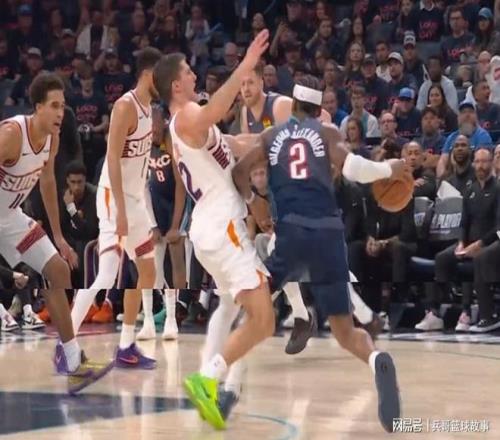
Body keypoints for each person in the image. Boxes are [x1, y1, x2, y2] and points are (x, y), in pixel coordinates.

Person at [232, 82, 405, 433]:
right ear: (316, 110)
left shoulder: (271, 136)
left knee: (250, 309)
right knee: (345, 331)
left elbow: (239, 172)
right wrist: (390, 168)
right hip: (328, 235)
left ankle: (228, 387)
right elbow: (354, 168)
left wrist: (253, 204)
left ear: (294, 105)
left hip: (291, 234)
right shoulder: (326, 132)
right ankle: (376, 361)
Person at [153, 31, 274, 430]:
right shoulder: (186, 116)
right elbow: (215, 111)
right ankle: (207, 379)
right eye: (188, 71)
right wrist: (245, 66)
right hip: (221, 227)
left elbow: (236, 143)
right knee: (264, 319)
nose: (194, 75)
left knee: (237, 308)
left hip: (213, 229)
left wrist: (281, 137)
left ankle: (225, 389)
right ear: (176, 85)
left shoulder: (195, 125)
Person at [0, 73, 112, 393]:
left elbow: (48, 182)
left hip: (10, 217)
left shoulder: (52, 138)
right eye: (54, 106)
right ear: (37, 107)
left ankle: (72, 362)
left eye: (63, 106)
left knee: (59, 270)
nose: (61, 113)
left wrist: (59, 236)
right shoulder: (12, 135)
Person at [70, 47, 162, 370]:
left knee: (148, 270)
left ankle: (126, 345)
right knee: (107, 274)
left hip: (135, 200)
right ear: (148, 74)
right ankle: (65, 344)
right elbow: (111, 158)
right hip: (115, 197)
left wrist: (140, 207)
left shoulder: (150, 109)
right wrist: (121, 210)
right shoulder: (126, 106)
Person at [137, 105, 187, 342]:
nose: (152, 131)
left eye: (155, 126)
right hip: (155, 204)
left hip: (176, 203)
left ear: (164, 122)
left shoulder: (172, 141)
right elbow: (143, 187)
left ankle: (174, 317)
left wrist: (175, 225)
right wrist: (153, 224)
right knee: (151, 265)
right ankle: (150, 317)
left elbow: (181, 186)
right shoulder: (144, 144)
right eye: (148, 126)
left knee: (177, 259)